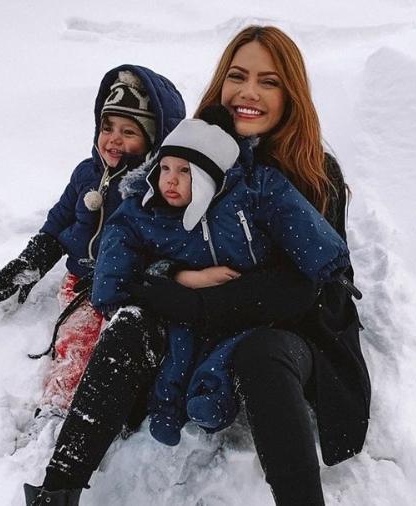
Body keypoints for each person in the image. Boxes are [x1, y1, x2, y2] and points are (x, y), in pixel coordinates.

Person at [23, 26, 370, 506]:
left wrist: (195, 302)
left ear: (291, 95)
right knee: (129, 324)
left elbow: (307, 286)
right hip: (190, 315)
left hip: (285, 329)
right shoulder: (189, 151)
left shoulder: (313, 172)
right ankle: (56, 490)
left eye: (268, 82)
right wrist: (172, 278)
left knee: (263, 354)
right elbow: (134, 237)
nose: (248, 93)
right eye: (238, 76)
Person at [91, 105, 352, 447]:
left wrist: (328, 262)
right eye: (165, 168)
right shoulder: (158, 212)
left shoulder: (247, 196)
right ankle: (166, 407)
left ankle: (212, 400)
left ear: (208, 177)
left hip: (241, 302)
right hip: (187, 307)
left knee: (228, 352)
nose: (170, 179)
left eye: (184, 171)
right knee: (178, 350)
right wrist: (119, 289)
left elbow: (292, 215)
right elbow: (122, 236)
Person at [0, 65, 185, 413]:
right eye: (107, 127)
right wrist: (33, 259)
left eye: (129, 131)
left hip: (127, 285)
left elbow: (167, 241)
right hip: (80, 281)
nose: (114, 139)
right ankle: (57, 406)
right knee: (76, 342)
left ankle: (117, 406)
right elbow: (60, 221)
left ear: (153, 140)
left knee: (115, 347)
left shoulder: (153, 190)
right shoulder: (85, 174)